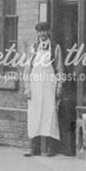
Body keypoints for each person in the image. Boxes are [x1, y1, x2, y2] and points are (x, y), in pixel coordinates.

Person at [23, 22, 62, 157]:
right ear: (37, 33)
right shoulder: (33, 48)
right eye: (40, 31)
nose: (42, 34)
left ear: (49, 31)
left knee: (49, 114)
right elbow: (27, 69)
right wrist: (27, 88)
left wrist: (59, 87)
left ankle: (51, 149)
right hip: (35, 85)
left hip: (49, 86)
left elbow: (59, 69)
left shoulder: (55, 48)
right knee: (34, 115)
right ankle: (35, 148)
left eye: (45, 31)